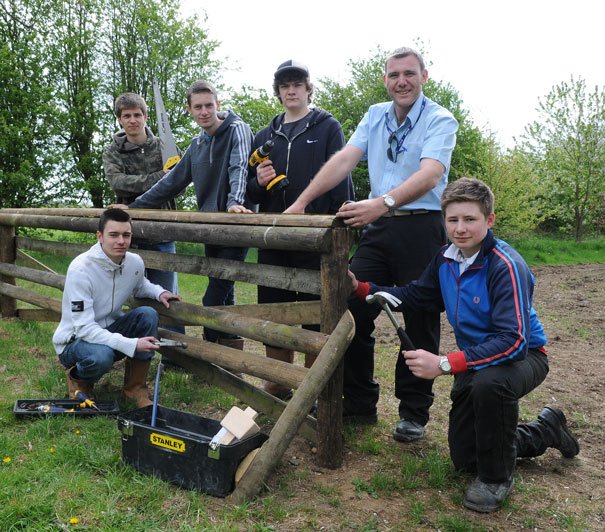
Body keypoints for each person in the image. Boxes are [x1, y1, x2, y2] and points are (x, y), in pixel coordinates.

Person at [349, 177, 580, 513]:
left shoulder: (506, 265)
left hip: (525, 357)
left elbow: (513, 342)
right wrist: (361, 287)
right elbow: (417, 295)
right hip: (479, 360)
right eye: (452, 220)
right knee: (465, 457)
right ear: (443, 220)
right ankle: (545, 430)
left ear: (489, 220)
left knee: (492, 383)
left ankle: (497, 479)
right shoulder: (445, 258)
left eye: (469, 219)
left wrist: (444, 364)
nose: (460, 229)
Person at [286, 47, 459, 441]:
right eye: (394, 74)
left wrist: (382, 203)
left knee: (419, 316)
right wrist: (302, 201)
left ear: (424, 76)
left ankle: (413, 413)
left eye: (409, 74)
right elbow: (345, 159)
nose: (402, 81)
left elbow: (431, 175)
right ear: (385, 79)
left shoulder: (440, 119)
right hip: (379, 230)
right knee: (350, 305)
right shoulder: (375, 114)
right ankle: (360, 402)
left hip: (422, 226)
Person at [246, 60, 354, 399]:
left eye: (297, 84)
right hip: (273, 237)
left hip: (316, 237)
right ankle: (277, 383)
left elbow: (341, 178)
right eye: (284, 85)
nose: (291, 90)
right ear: (277, 92)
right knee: (274, 311)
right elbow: (247, 193)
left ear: (309, 89)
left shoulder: (327, 127)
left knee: (316, 312)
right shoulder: (264, 136)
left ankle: (312, 388)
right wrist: (258, 183)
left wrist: (342, 228)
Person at [124, 80, 254, 351]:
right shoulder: (196, 144)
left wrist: (234, 202)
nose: (204, 111)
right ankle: (227, 356)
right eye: (198, 107)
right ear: (190, 110)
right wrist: (135, 206)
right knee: (224, 290)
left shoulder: (237, 129)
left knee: (214, 293)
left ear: (218, 104)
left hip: (235, 223)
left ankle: (207, 346)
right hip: (210, 227)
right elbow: (172, 183)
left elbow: (239, 166)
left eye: (209, 105)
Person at [52, 208, 181, 407]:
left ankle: (135, 390)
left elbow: (141, 284)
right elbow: (84, 329)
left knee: (147, 314)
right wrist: (131, 344)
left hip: (108, 331)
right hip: (74, 341)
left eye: (126, 235)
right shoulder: (80, 269)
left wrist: (159, 292)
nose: (121, 241)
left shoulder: (134, 262)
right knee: (101, 356)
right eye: (113, 235)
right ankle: (79, 381)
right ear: (100, 236)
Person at [103, 92, 180, 296]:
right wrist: (161, 177)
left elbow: (178, 183)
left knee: (168, 294)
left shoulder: (165, 146)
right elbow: (118, 184)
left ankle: (173, 330)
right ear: (120, 119)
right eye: (127, 116)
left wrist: (166, 180)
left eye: (137, 114)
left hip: (163, 232)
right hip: (128, 235)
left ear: (145, 116)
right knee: (132, 295)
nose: (132, 120)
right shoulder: (112, 151)